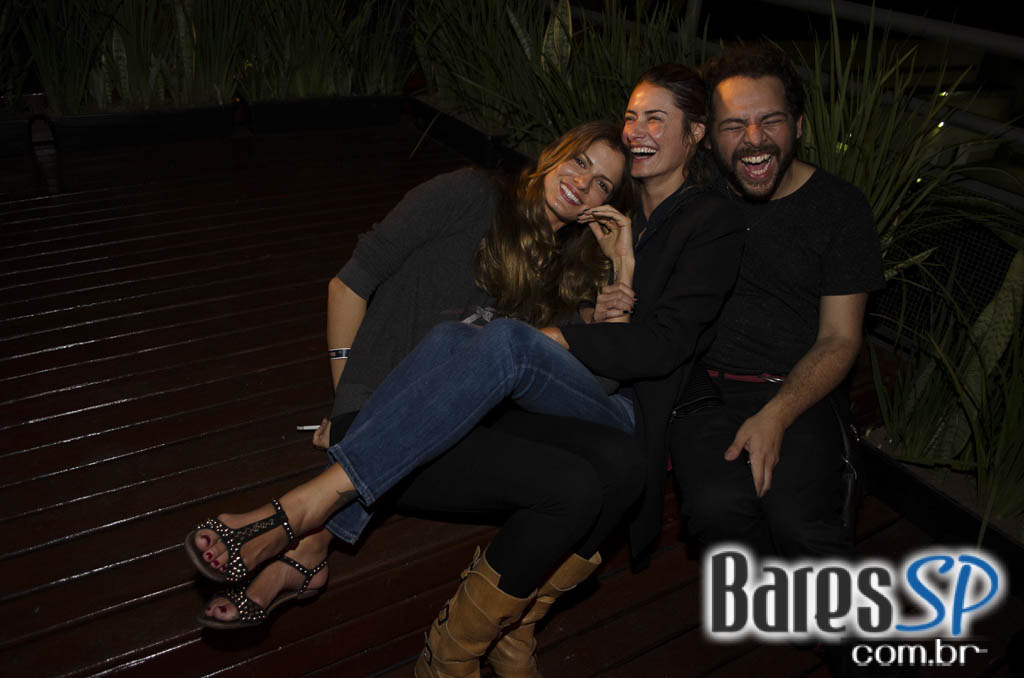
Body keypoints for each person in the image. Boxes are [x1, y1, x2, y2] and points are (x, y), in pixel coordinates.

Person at [186, 120, 643, 638]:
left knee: (571, 471)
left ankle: (309, 544)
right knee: (472, 347)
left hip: (458, 430)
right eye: (580, 161)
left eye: (602, 184)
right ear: (554, 154)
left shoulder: (562, 278)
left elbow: (603, 383)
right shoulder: (469, 194)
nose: (582, 183)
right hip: (379, 403)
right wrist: (349, 407)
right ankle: (304, 538)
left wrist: (622, 267)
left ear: (604, 207)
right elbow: (349, 285)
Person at [670, 44, 886, 559]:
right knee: (718, 512)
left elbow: (840, 339)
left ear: (799, 126)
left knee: (802, 528)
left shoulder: (840, 208)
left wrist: (777, 415)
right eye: (734, 125)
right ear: (708, 138)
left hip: (799, 386)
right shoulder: (693, 198)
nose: (754, 139)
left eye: (771, 120)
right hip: (705, 389)